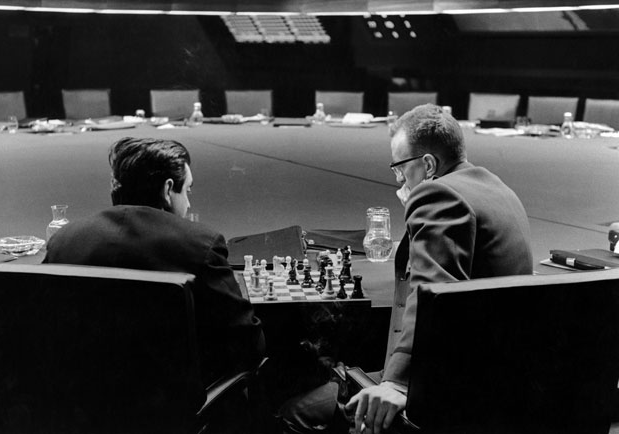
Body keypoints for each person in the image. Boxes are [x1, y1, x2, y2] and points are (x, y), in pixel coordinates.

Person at [281, 104, 533, 434]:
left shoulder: (437, 194)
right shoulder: (497, 188)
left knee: (294, 411)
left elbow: (435, 299)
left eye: (400, 170)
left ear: (428, 165)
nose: (399, 180)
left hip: (451, 400)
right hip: (503, 390)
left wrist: (397, 384)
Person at [43, 137, 265, 387]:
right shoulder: (201, 243)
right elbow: (248, 344)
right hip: (174, 407)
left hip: (85, 401)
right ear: (168, 189)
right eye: (188, 190)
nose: (189, 202)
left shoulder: (64, 240)